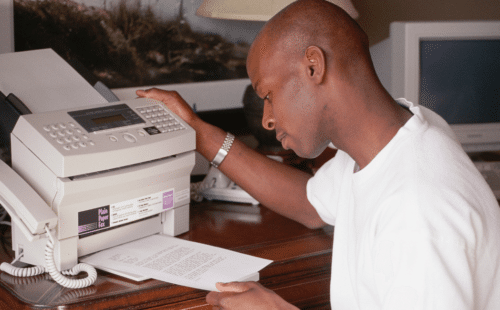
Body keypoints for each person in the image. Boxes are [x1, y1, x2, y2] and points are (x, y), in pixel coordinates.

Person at [137, 0, 500, 309]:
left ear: (313, 66)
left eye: (268, 95)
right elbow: (309, 203)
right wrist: (200, 133)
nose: (266, 119)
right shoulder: (399, 136)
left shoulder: (419, 212)